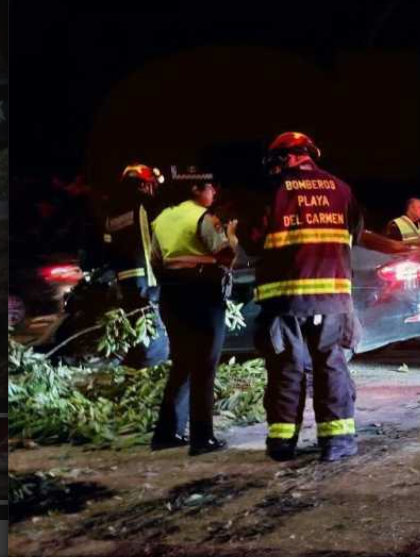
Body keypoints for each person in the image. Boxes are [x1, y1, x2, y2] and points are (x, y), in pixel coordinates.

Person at [249, 132, 364, 463]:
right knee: (332, 366)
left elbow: (253, 239)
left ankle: (282, 444)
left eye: (276, 162)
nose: (274, 169)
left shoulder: (273, 190)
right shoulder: (341, 189)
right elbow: (353, 235)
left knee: (286, 368)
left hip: (285, 299)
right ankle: (337, 443)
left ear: (287, 157)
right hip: (333, 297)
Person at [150, 167, 237, 456]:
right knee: (205, 366)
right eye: (210, 188)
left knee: (182, 363)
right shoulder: (205, 219)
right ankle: (203, 438)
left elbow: (157, 260)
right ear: (196, 189)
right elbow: (227, 257)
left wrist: (179, 263)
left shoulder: (161, 218)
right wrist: (232, 237)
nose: (214, 193)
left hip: (172, 296)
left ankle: (167, 433)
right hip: (203, 294)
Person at [102, 164, 169, 369]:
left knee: (138, 329)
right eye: (151, 185)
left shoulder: (112, 211)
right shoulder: (147, 205)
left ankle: (135, 366)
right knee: (153, 330)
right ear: (143, 185)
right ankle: (151, 370)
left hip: (127, 281)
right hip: (149, 279)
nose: (153, 189)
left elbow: (108, 247)